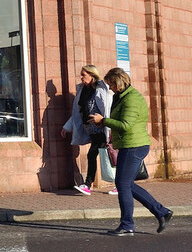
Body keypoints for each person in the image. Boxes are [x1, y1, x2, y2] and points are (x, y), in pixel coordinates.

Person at [90, 67, 172, 237]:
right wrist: (103, 122)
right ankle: (161, 211)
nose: (110, 87)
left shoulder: (132, 99)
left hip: (134, 146)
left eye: (111, 84)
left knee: (122, 185)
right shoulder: (122, 97)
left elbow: (126, 124)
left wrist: (104, 120)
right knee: (126, 184)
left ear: (119, 82)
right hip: (129, 145)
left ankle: (127, 225)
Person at [63, 65, 112, 195]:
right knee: (104, 155)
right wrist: (67, 127)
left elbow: (106, 108)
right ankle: (120, 183)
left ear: (92, 76)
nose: (81, 77)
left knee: (98, 155)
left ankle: (88, 184)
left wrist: (106, 123)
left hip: (101, 129)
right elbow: (77, 112)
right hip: (90, 130)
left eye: (84, 74)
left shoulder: (100, 89)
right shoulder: (82, 90)